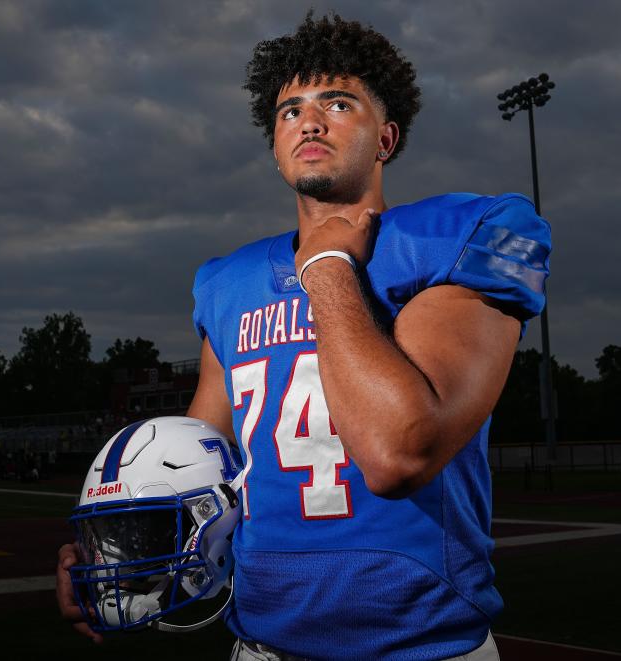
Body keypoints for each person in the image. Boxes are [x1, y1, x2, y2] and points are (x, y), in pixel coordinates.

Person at [58, 12, 550, 660]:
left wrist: (327, 268)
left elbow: (401, 451)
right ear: (274, 141)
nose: (310, 122)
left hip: (422, 646)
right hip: (260, 644)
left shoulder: (462, 231)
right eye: (290, 111)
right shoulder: (227, 282)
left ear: (386, 136)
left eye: (338, 103)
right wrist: (117, 545)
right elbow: (204, 456)